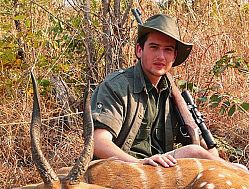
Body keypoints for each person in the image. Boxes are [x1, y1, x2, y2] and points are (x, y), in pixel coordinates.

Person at [91, 14, 221, 168]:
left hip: (161, 172)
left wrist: (213, 154)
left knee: (233, 168)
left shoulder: (173, 94)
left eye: (168, 50)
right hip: (123, 170)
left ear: (174, 56)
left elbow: (203, 144)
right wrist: (138, 163)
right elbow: (98, 142)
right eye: (154, 47)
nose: (161, 56)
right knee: (194, 152)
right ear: (139, 50)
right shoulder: (116, 86)